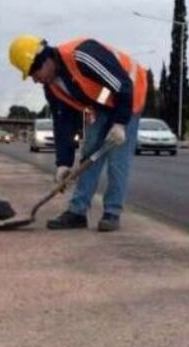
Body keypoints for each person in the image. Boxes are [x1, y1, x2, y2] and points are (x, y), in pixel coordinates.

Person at [8, 35, 146, 232]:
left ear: (45, 60)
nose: (34, 80)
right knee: (90, 153)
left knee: (117, 158)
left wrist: (120, 124)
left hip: (129, 95)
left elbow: (122, 85)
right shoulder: (52, 87)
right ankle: (77, 212)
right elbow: (62, 122)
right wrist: (63, 163)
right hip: (101, 104)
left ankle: (112, 213)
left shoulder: (82, 56)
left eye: (33, 72)